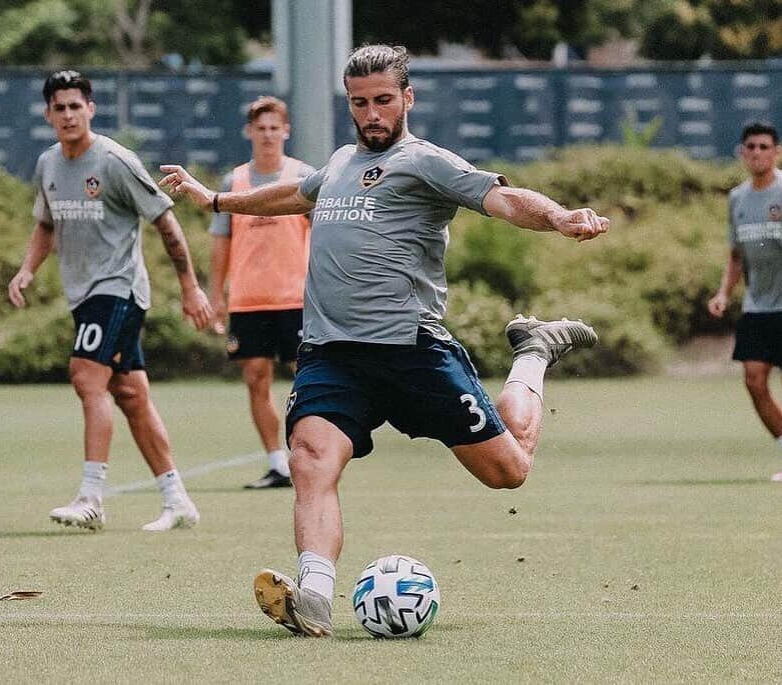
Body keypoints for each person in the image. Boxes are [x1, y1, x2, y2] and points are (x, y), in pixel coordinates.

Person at [160, 44, 608, 636]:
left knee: (508, 472)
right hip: (331, 352)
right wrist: (215, 199)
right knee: (310, 457)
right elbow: (296, 194)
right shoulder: (342, 161)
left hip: (412, 351)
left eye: (382, 101)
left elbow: (503, 198)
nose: (370, 113)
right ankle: (315, 593)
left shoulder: (427, 162)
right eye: (359, 102)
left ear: (407, 99)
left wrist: (557, 216)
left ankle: (532, 351)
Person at [8, 70, 213, 532]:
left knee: (85, 376)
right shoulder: (48, 164)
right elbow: (45, 224)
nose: (67, 114)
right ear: (48, 114)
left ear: (91, 109)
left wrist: (190, 287)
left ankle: (91, 497)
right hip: (83, 295)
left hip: (119, 288)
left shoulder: (116, 161)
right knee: (130, 394)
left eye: (75, 106)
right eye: (58, 107)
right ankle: (177, 499)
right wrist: (27, 269)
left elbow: (166, 222)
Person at [209, 96, 313, 489]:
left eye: (275, 127)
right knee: (256, 378)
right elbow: (220, 244)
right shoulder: (232, 183)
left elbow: (323, 236)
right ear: (249, 132)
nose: (268, 135)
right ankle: (277, 464)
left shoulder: (304, 177)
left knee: (308, 378)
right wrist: (215, 295)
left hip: (297, 299)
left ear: (285, 131)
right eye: (261, 128)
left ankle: (311, 454)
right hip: (249, 299)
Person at [708, 121, 782, 480]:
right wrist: (724, 292)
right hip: (759, 305)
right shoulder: (737, 198)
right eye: (750, 146)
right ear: (742, 153)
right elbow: (737, 255)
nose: (756, 153)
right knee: (754, 380)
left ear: (777, 152)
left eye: (764, 146)